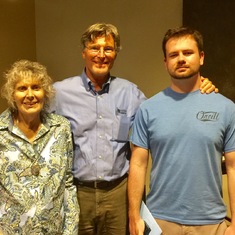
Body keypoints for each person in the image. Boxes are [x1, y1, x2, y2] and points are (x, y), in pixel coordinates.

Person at [50, 23, 218, 235]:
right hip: (77, 191)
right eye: (95, 48)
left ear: (115, 54)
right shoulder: (60, 93)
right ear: (84, 52)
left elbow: (165, 115)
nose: (101, 54)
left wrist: (199, 87)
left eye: (108, 49)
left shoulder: (130, 93)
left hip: (118, 193)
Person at [128, 26, 235, 235]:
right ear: (165, 62)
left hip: (211, 222)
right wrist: (134, 216)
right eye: (173, 55)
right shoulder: (148, 109)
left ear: (201, 57)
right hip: (160, 220)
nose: (181, 59)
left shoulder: (226, 109)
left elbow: (233, 167)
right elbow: (138, 164)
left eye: (188, 53)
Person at [0, 60, 79, 235]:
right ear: (12, 95)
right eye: (22, 88)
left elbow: (68, 184)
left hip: (53, 230)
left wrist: (70, 231)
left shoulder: (61, 128)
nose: (30, 95)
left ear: (45, 92)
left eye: (36, 87)